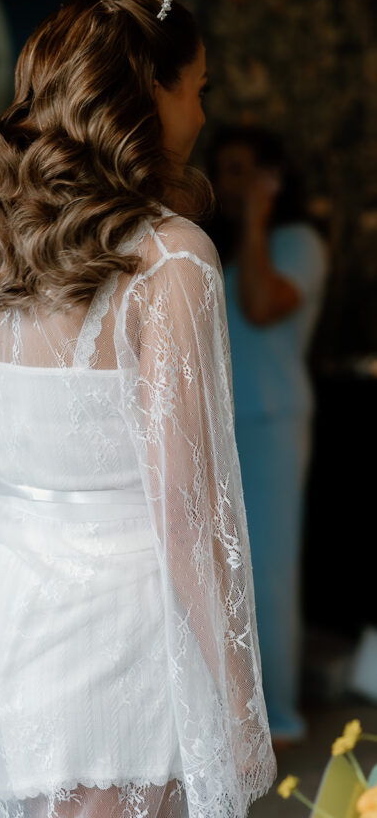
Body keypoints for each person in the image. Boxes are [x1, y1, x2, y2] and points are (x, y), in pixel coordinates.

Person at [0, 0, 277, 818]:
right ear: (149, 94)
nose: (203, 116)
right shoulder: (173, 261)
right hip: (126, 648)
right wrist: (241, 710)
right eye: (197, 89)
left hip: (8, 640)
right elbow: (186, 514)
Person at [203, 125, 329, 749]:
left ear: (271, 179)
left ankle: (279, 714)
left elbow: (258, 307)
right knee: (224, 569)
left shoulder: (298, 241)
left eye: (242, 171)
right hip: (221, 423)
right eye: (223, 171)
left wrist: (255, 219)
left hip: (274, 422)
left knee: (269, 570)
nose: (230, 184)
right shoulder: (213, 249)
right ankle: (236, 712)